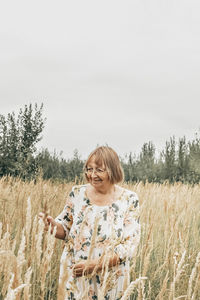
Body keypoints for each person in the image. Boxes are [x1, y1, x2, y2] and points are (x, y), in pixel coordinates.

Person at [40, 146, 140, 299]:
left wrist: (95, 265)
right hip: (75, 277)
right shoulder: (77, 193)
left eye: (99, 170)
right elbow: (65, 230)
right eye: (89, 169)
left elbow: (129, 246)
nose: (92, 175)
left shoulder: (129, 199)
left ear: (113, 170)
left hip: (110, 279)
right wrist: (51, 226)